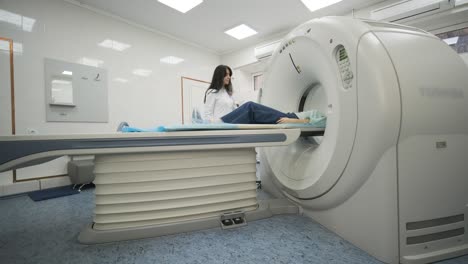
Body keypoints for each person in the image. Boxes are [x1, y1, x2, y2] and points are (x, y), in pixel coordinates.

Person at [220, 101, 326, 125]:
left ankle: (223, 123)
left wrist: (290, 120)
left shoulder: (326, 120)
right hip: (290, 115)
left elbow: (310, 122)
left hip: (291, 118)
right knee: (252, 115)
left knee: (250, 106)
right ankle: (225, 123)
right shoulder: (323, 115)